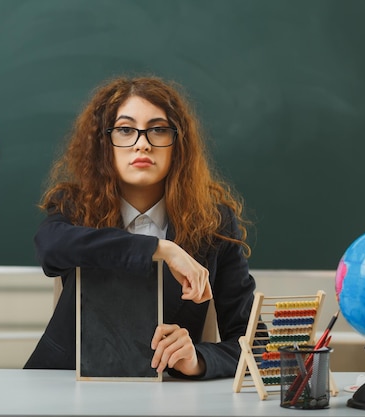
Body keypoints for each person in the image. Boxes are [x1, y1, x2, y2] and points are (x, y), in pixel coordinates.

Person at [24, 75, 258, 379]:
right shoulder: (75, 205)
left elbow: (251, 342)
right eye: (125, 130)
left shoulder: (214, 222)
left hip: (168, 396)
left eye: (158, 130)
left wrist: (197, 359)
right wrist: (161, 249)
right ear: (103, 143)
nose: (143, 144)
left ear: (179, 145)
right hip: (63, 384)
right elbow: (51, 247)